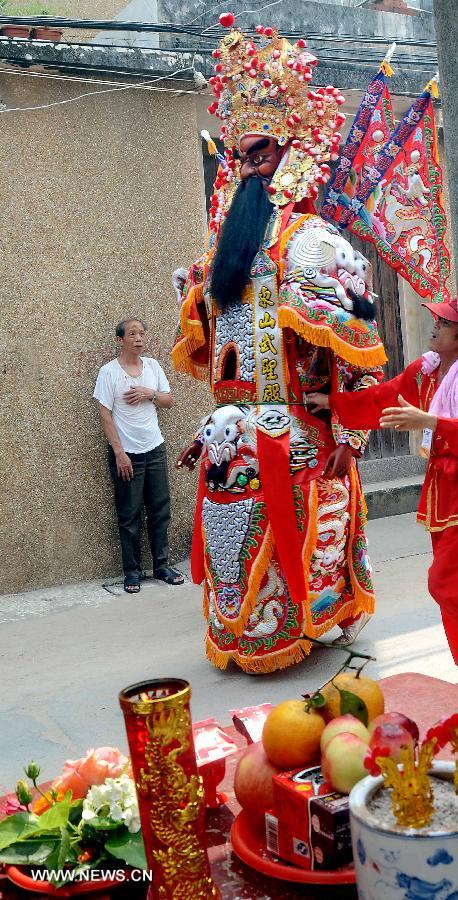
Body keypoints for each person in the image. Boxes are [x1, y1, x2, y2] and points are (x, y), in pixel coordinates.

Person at [171, 21, 387, 673]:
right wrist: (194, 292)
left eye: (260, 154)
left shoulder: (314, 243)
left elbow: (357, 350)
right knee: (226, 499)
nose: (247, 168)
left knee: (284, 497)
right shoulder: (222, 252)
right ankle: (240, 632)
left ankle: (301, 623)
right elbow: (210, 349)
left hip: (298, 421)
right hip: (231, 423)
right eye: (241, 157)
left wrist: (348, 439)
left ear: (291, 155)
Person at [307, 296, 458, 683]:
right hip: (444, 491)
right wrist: (333, 403)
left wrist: (430, 420)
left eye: (444, 322)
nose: (434, 325)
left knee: (447, 584)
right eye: (436, 319)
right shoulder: (428, 371)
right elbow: (384, 397)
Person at [94, 318, 185, 594]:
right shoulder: (109, 373)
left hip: (154, 448)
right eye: (132, 334)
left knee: (160, 511)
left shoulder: (153, 367)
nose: (138, 338)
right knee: (129, 515)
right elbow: (104, 414)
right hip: (127, 454)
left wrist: (149, 393)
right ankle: (131, 572)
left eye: (142, 333)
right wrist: (119, 453)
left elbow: (168, 400)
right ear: (120, 340)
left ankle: (161, 566)